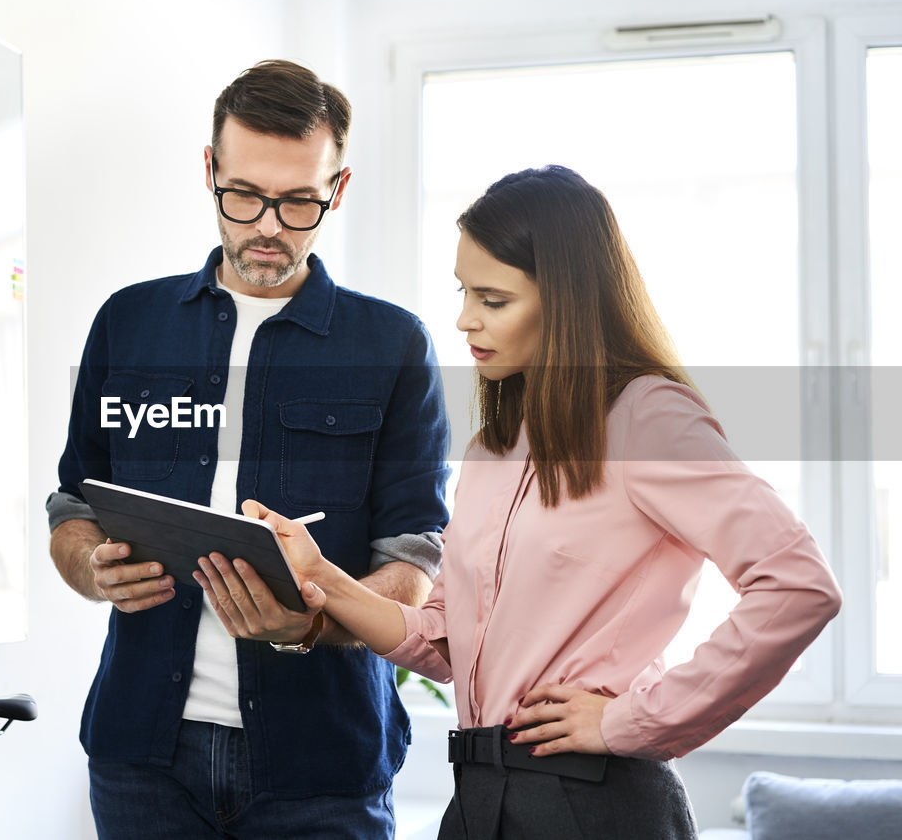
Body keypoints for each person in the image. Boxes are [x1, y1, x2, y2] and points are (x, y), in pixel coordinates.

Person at [204, 165, 844, 838]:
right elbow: (443, 640)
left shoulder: (647, 419)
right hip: (481, 796)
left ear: (566, 300)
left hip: (594, 799)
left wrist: (633, 718)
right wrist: (320, 579)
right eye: (463, 292)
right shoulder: (494, 450)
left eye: (493, 299)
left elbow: (799, 586)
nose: (464, 318)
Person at [46, 59, 451, 839]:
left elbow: (413, 564)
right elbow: (73, 508)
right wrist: (92, 568)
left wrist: (311, 621)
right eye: (245, 195)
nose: (268, 225)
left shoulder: (392, 344)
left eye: (300, 201)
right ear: (209, 170)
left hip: (322, 767)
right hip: (143, 763)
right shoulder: (128, 324)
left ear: (338, 187)